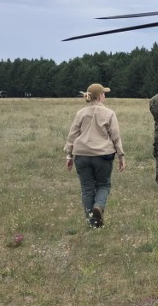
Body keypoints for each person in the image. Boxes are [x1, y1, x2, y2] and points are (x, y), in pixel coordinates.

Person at [64, 83, 126, 228]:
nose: (105, 96)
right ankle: (98, 206)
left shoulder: (81, 113)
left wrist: (69, 155)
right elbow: (115, 136)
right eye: (104, 93)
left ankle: (92, 222)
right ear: (99, 96)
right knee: (104, 185)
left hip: (81, 155)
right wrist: (121, 156)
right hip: (103, 155)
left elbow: (72, 134)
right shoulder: (109, 113)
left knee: (87, 188)